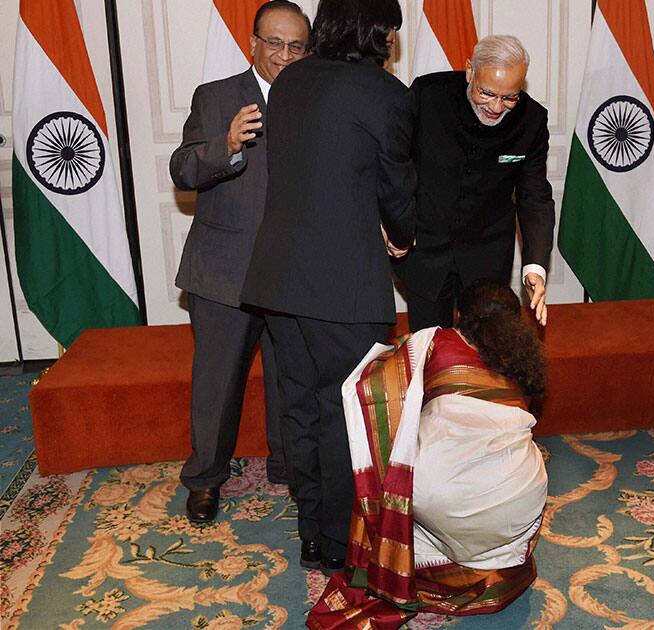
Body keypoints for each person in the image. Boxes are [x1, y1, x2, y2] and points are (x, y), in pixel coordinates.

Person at [241, 0, 416, 575]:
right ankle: (342, 545)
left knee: (303, 408)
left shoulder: (289, 82)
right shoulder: (385, 94)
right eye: (390, 29)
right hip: (344, 287)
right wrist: (403, 236)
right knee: (348, 417)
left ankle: (313, 535)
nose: (393, 40)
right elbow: (396, 186)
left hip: (279, 280)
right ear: (374, 32)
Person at [309, 279, 548, 627]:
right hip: (519, 498)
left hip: (443, 497)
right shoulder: (521, 359)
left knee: (403, 470)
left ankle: (425, 572)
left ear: (459, 315)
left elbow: (374, 387)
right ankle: (488, 566)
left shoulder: (434, 342)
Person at [169, 1, 311, 523]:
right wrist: (226, 144)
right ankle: (205, 477)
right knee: (217, 382)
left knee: (289, 376)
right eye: (274, 43)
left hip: (293, 269)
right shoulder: (216, 96)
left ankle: (289, 466)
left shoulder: (315, 98)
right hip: (224, 269)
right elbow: (183, 169)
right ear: (253, 43)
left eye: (296, 46)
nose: (283, 55)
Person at [393, 34, 555, 331]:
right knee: (430, 351)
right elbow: (394, 162)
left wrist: (535, 265)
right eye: (487, 93)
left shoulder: (531, 119)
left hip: (487, 257)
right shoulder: (427, 96)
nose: (495, 107)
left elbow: (535, 197)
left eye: (509, 97)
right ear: (470, 71)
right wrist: (391, 222)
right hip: (424, 253)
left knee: (488, 355)